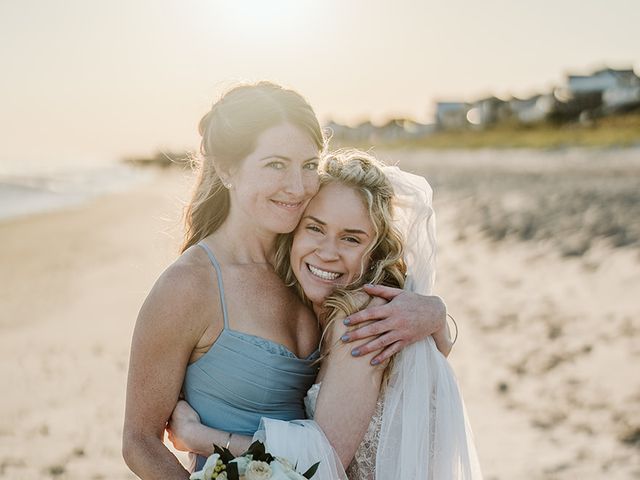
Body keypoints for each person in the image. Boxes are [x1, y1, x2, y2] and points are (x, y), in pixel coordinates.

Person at [122, 83, 451, 479]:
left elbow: (400, 373)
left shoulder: (307, 260)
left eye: (309, 165)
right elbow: (139, 441)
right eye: (276, 164)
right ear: (227, 169)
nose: (298, 187)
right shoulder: (189, 286)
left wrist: (435, 314)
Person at [168, 150, 482, 479]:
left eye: (350, 238)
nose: (328, 252)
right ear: (292, 232)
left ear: (375, 253)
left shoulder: (363, 321)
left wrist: (199, 438)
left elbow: (320, 464)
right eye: (315, 229)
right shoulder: (333, 312)